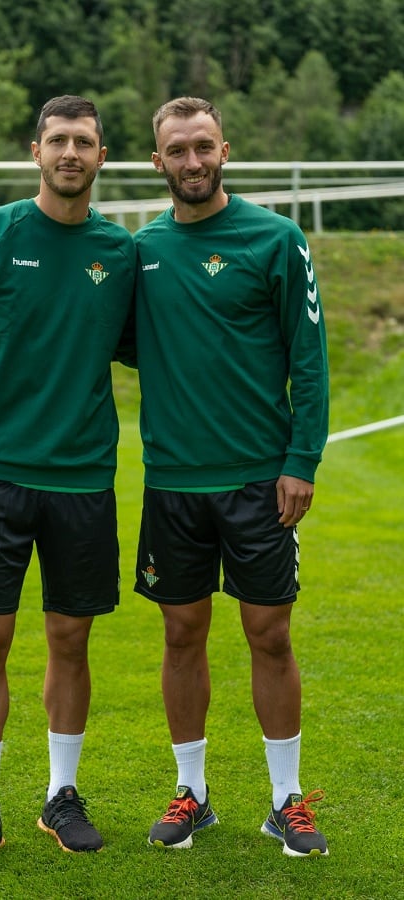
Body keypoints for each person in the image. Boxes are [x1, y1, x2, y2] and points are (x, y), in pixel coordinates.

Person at [0, 95, 136, 875]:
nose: (70, 152)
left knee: (70, 639)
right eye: (58, 140)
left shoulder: (121, 253)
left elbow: (160, 347)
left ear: (102, 155)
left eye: (84, 140)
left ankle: (61, 794)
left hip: (83, 480)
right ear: (35, 150)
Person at [132, 97, 330, 858]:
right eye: (176, 150)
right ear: (156, 162)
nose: (191, 162)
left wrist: (299, 461)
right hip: (172, 483)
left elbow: (308, 360)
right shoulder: (139, 251)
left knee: (268, 633)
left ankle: (286, 801)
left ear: (225, 151)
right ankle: (193, 794)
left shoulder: (276, 240)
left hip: (258, 481)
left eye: (203, 147)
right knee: (181, 633)